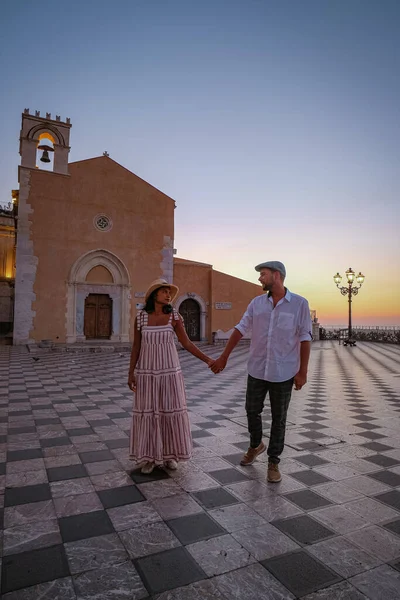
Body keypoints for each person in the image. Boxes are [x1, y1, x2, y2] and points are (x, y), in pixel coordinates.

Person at [210, 261, 312, 483]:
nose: (259, 279)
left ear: (277, 275)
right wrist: (223, 357)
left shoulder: (299, 305)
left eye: (263, 274)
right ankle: (256, 445)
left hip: (283, 372)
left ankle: (273, 461)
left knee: (279, 418)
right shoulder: (256, 303)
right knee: (251, 410)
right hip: (257, 369)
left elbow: (305, 337)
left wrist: (302, 372)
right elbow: (240, 329)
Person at [128, 278, 214, 474]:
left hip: (169, 373)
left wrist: (208, 360)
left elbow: (187, 343)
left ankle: (169, 455)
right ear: (154, 295)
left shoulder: (174, 316)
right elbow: (136, 346)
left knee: (169, 411)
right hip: (147, 373)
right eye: (164, 291)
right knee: (148, 413)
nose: (168, 295)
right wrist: (130, 372)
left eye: (169, 292)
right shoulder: (141, 318)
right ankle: (149, 457)